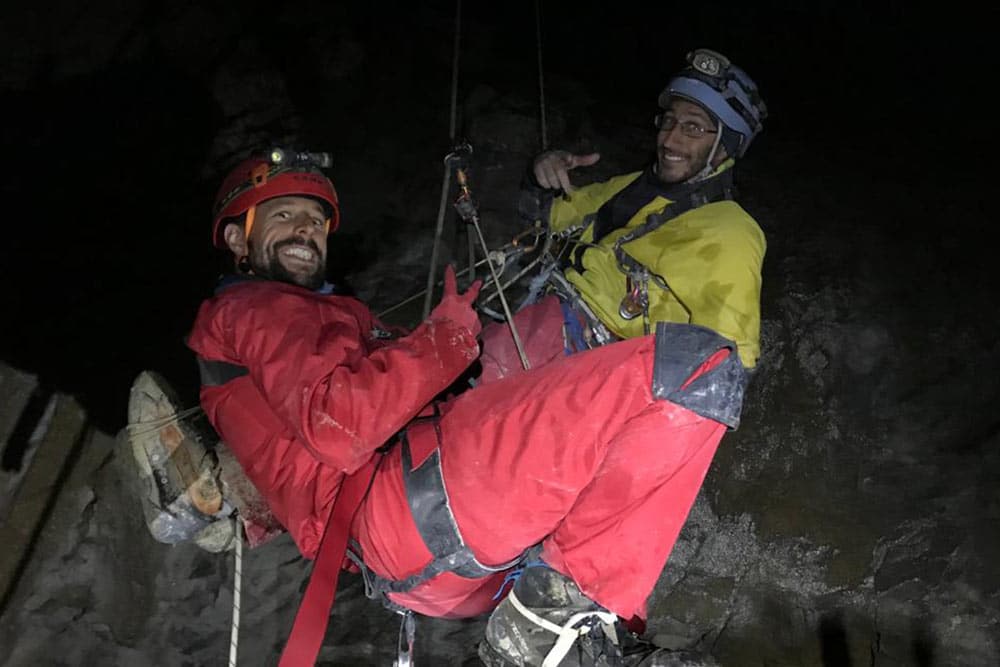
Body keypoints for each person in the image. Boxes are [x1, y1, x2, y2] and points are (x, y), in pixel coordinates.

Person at [179, 149, 748, 667]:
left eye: (313, 220)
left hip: (425, 563)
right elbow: (340, 425)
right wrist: (446, 339)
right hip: (407, 501)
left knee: (603, 470)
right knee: (695, 367)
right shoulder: (258, 306)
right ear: (237, 240)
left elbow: (308, 437)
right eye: (282, 216)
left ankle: (583, 632)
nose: (305, 229)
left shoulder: (293, 328)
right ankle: (550, 616)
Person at [480, 48, 767, 383]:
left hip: (590, 368)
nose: (670, 139)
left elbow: (729, 367)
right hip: (538, 318)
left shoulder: (729, 232)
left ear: (724, 147)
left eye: (692, 127)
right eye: (670, 121)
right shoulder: (633, 185)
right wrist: (540, 175)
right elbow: (546, 217)